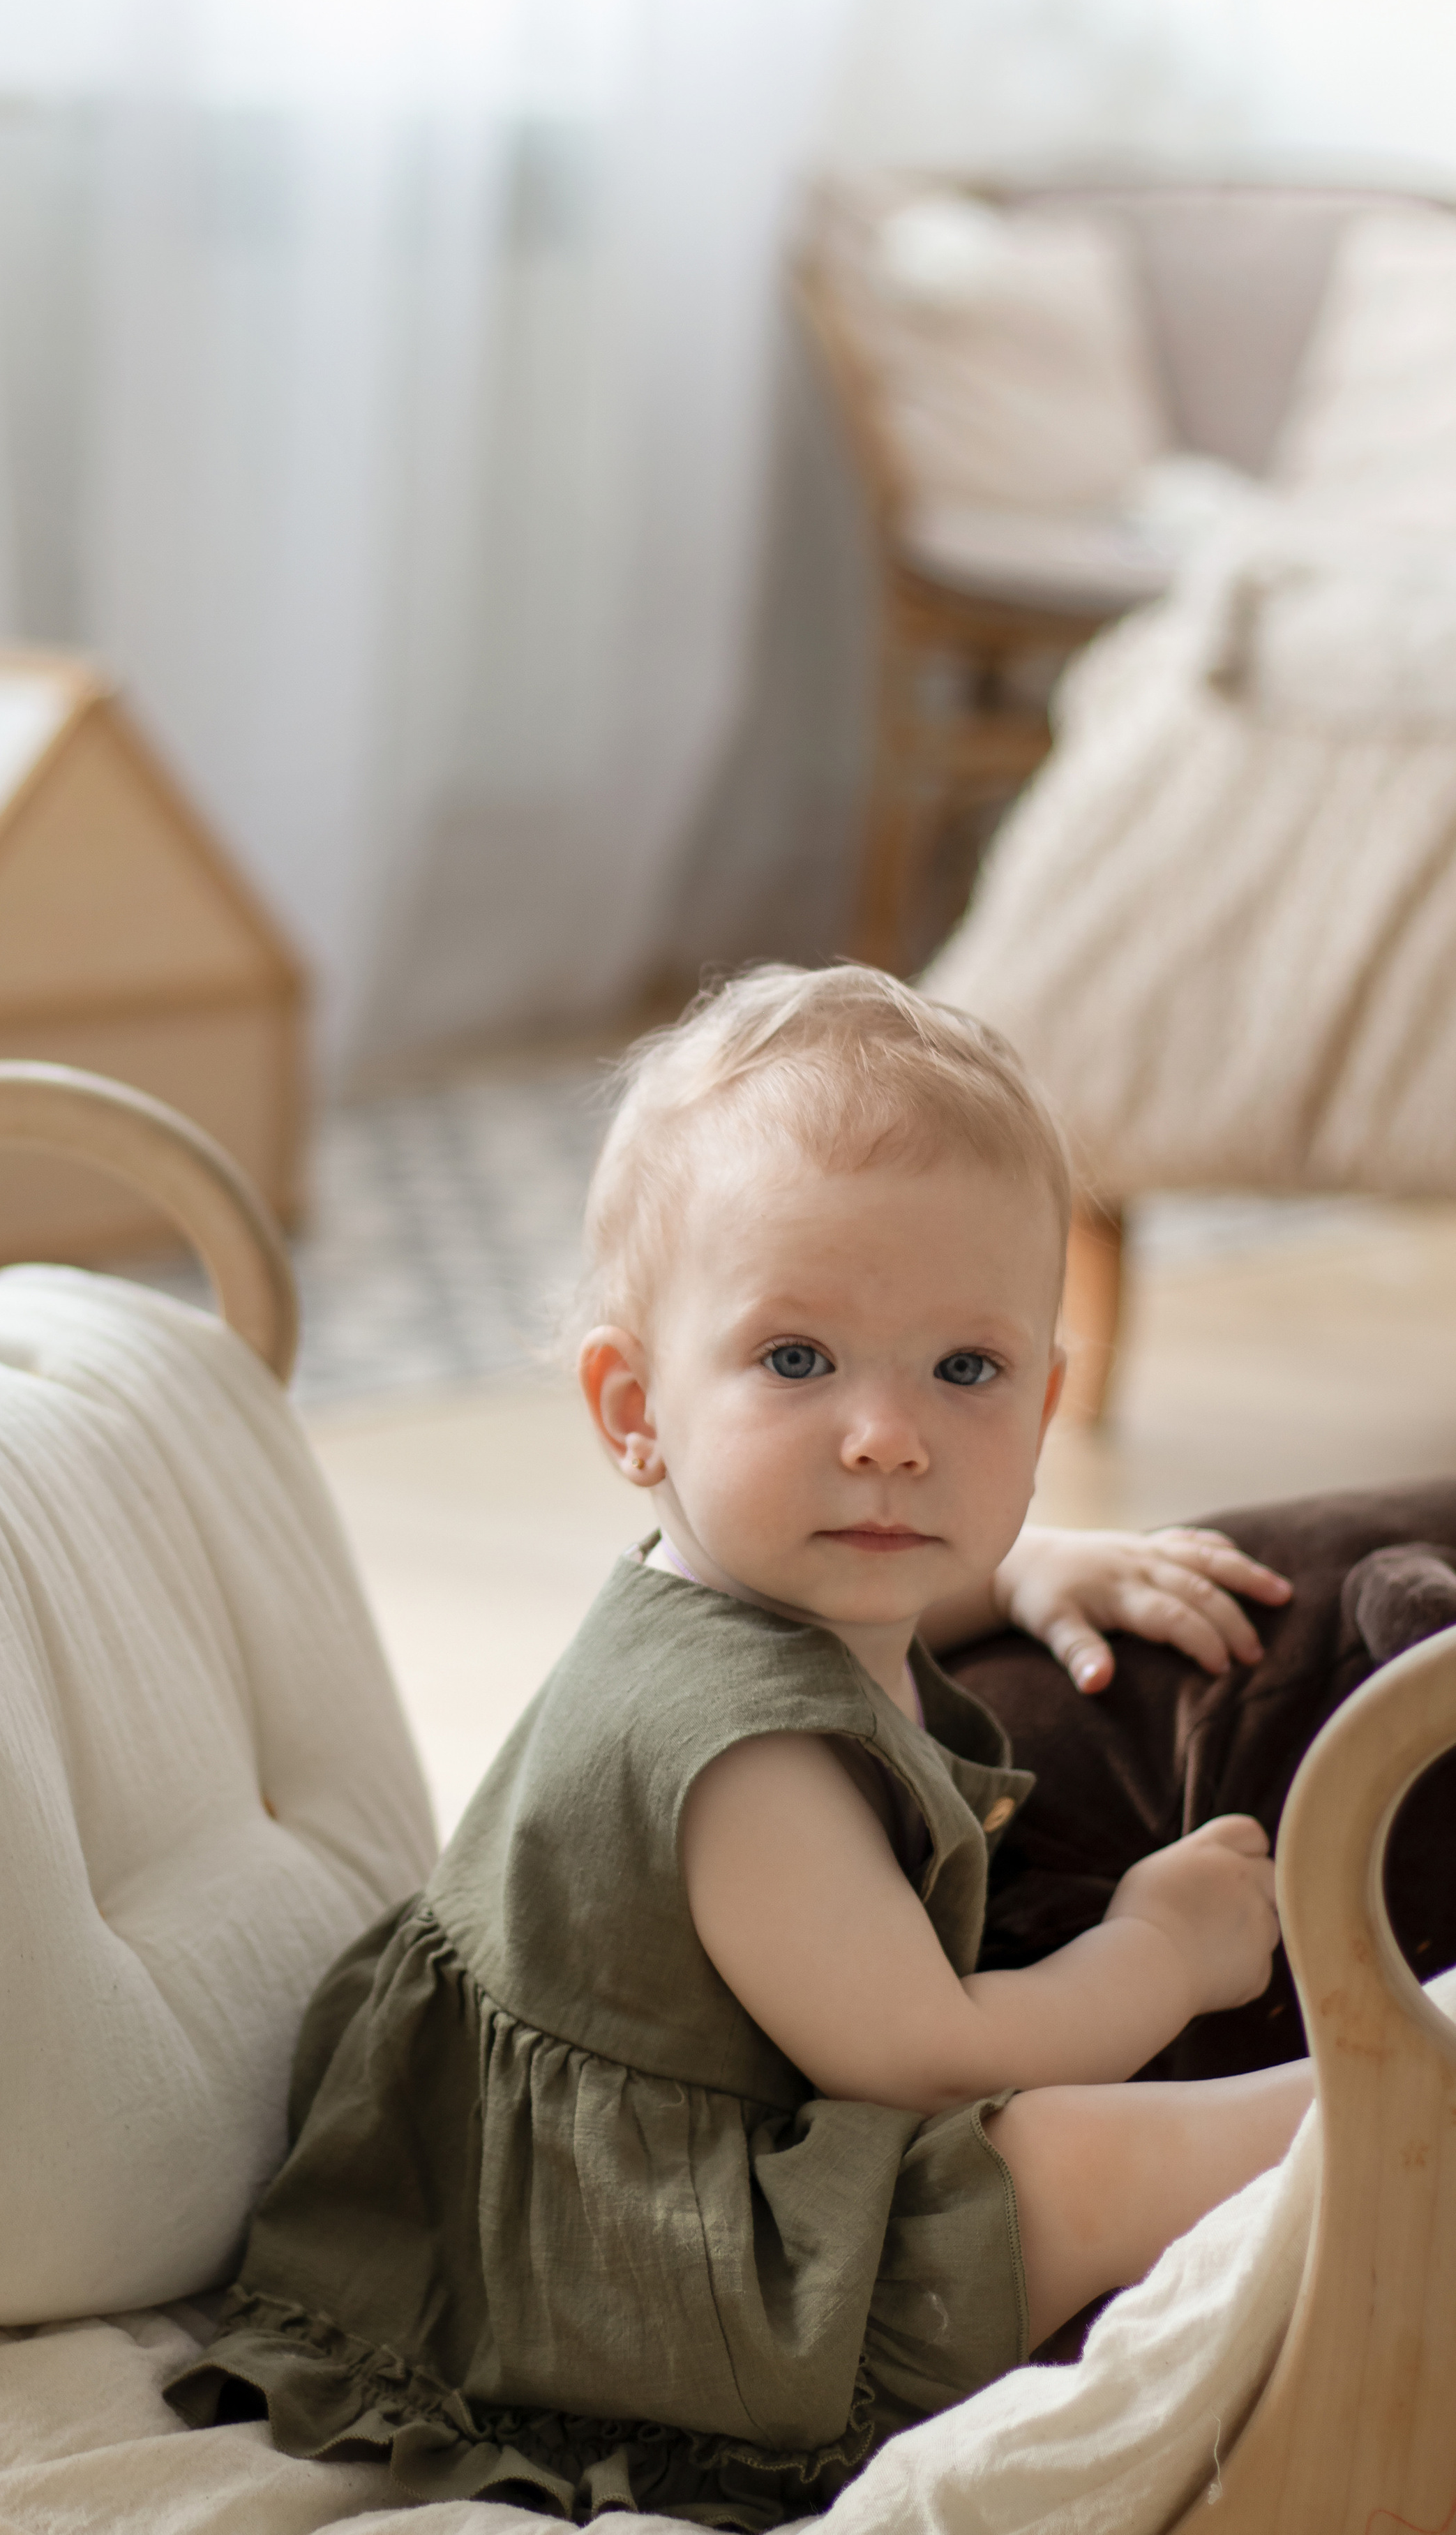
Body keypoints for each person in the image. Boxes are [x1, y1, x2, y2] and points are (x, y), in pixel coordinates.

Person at [170, 965, 1320, 2527]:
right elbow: (924, 2058)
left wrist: (1026, 1564)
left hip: (696, 2164)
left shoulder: (785, 1565)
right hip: (642, 2282)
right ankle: (1370, 2117)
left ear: (1043, 1405)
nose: (887, 1438)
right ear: (633, 1409)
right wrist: (1162, 1953)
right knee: (1052, 2154)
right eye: (794, 1360)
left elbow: (873, 1569)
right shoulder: (739, 1764)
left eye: (963, 1371)